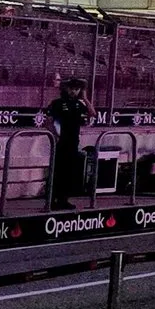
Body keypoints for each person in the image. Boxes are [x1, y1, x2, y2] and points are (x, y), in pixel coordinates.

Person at [43, 78, 93, 211]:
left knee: (69, 173)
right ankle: (51, 200)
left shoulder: (79, 104)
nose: (73, 92)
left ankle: (64, 199)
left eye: (76, 89)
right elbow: (48, 121)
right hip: (61, 143)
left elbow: (92, 114)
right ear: (65, 89)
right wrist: (55, 135)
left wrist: (85, 98)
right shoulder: (57, 103)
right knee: (57, 171)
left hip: (73, 143)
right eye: (71, 88)